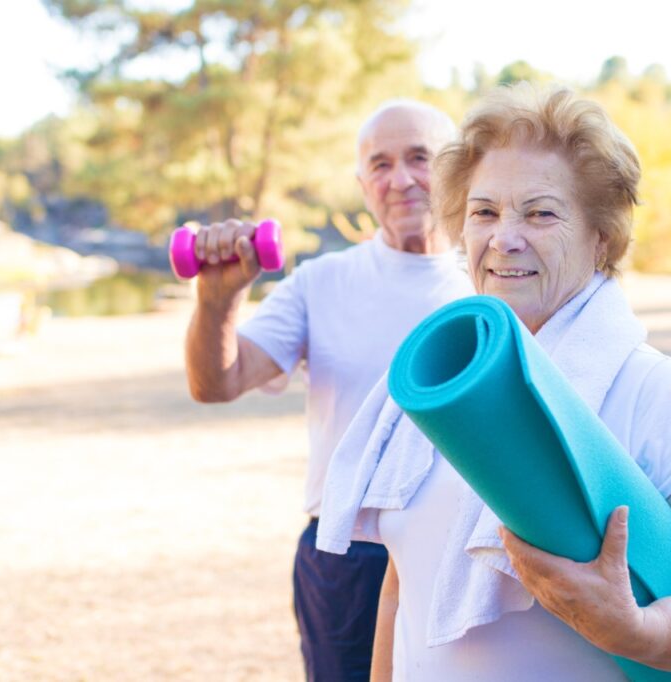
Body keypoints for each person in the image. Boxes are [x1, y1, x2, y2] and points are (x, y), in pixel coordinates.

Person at [316, 84, 671, 681]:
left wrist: (640, 630)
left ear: (602, 238)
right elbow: (404, 592)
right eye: (484, 211)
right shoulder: (435, 388)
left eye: (540, 212)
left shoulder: (651, 390)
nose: (504, 237)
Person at [184, 100, 475, 680]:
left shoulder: (495, 281)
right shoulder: (320, 283)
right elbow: (217, 382)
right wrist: (217, 300)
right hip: (347, 556)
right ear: (362, 183)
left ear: (455, 169)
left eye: (420, 158)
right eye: (380, 164)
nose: (401, 179)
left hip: (461, 552)